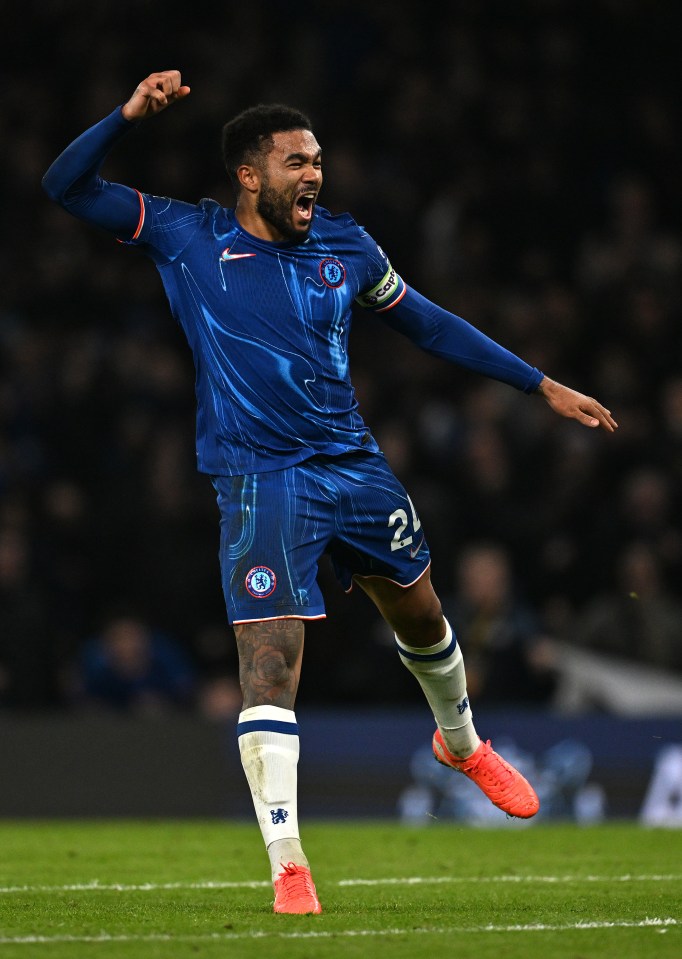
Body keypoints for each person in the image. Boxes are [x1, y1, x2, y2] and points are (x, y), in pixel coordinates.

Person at [42, 70, 618, 915]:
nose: (314, 173)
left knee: (422, 615)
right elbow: (64, 187)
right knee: (269, 662)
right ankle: (289, 862)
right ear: (249, 174)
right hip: (259, 481)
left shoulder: (346, 245)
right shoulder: (185, 234)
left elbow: (426, 321)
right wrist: (127, 115)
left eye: (318, 160)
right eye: (295, 161)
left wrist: (539, 385)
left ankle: (461, 744)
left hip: (353, 467)